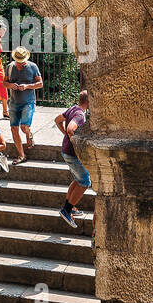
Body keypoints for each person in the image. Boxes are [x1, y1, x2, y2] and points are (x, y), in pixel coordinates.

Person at [54, 89, 90, 229]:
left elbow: (57, 120)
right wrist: (75, 143)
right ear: (88, 101)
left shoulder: (73, 108)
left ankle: (71, 207)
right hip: (72, 153)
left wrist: (65, 135)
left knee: (78, 179)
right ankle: (67, 210)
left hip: (66, 151)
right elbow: (70, 129)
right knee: (85, 181)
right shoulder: (80, 115)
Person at [6, 46, 43, 162]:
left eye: (22, 62)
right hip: (13, 102)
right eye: (18, 61)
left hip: (28, 101)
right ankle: (22, 155)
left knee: (24, 126)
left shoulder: (33, 67)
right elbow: (4, 82)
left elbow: (40, 83)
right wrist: (10, 85)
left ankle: (28, 134)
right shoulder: (10, 67)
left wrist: (27, 86)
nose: (20, 64)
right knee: (14, 128)